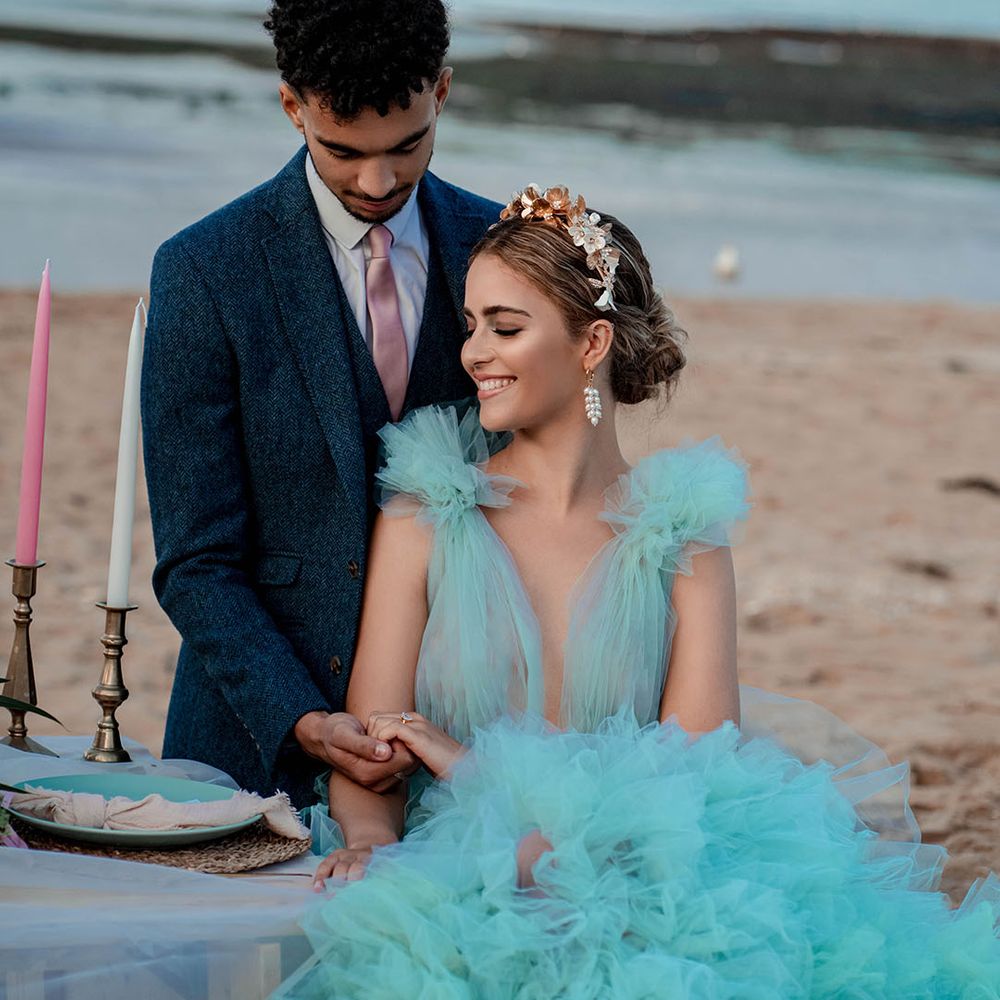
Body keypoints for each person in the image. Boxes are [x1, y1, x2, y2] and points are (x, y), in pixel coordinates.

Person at [276, 186, 1000, 997]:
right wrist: (372, 844)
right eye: (472, 324)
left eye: (505, 327)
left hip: (635, 880)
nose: (474, 351)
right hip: (452, 877)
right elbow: (374, 750)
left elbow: (693, 783)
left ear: (592, 343)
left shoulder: (681, 535)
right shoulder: (427, 513)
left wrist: (469, 766)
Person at [140, 0, 501, 806]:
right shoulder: (204, 271)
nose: (378, 181)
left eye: (407, 146)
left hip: (456, 738)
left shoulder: (502, 245)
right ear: (291, 106)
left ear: (441, 92)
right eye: (343, 151)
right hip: (250, 745)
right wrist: (302, 717)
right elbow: (196, 560)